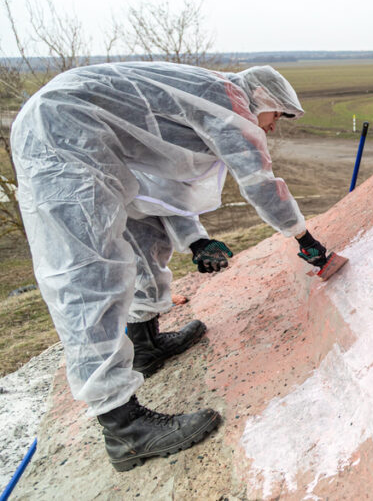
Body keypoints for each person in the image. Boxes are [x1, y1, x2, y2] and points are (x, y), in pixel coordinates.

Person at [10, 61, 334, 472]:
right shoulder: (230, 104)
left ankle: (145, 344)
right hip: (61, 135)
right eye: (278, 115)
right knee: (89, 271)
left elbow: (157, 189)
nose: (273, 126)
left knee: (143, 230)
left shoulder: (197, 100)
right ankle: (123, 428)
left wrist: (196, 240)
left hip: (82, 131)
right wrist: (304, 237)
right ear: (261, 98)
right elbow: (259, 180)